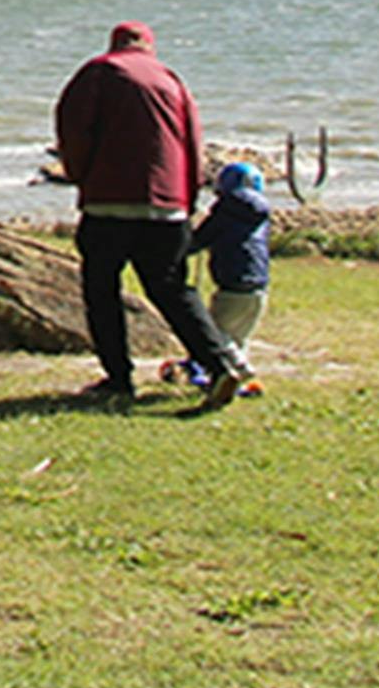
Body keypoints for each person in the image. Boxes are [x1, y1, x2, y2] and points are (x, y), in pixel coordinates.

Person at [53, 22, 252, 409]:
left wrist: (80, 175)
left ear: (115, 44)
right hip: (168, 206)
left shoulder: (98, 71)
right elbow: (194, 142)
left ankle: (119, 378)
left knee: (102, 292)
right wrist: (188, 199)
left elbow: (73, 128)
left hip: (108, 203)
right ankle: (220, 364)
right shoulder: (171, 80)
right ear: (149, 47)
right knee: (174, 291)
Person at [170, 161, 272, 397]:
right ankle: (234, 379)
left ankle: (239, 369)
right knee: (239, 335)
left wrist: (180, 249)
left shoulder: (226, 210)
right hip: (259, 285)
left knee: (214, 334)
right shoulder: (261, 213)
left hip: (232, 282)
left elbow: (201, 239)